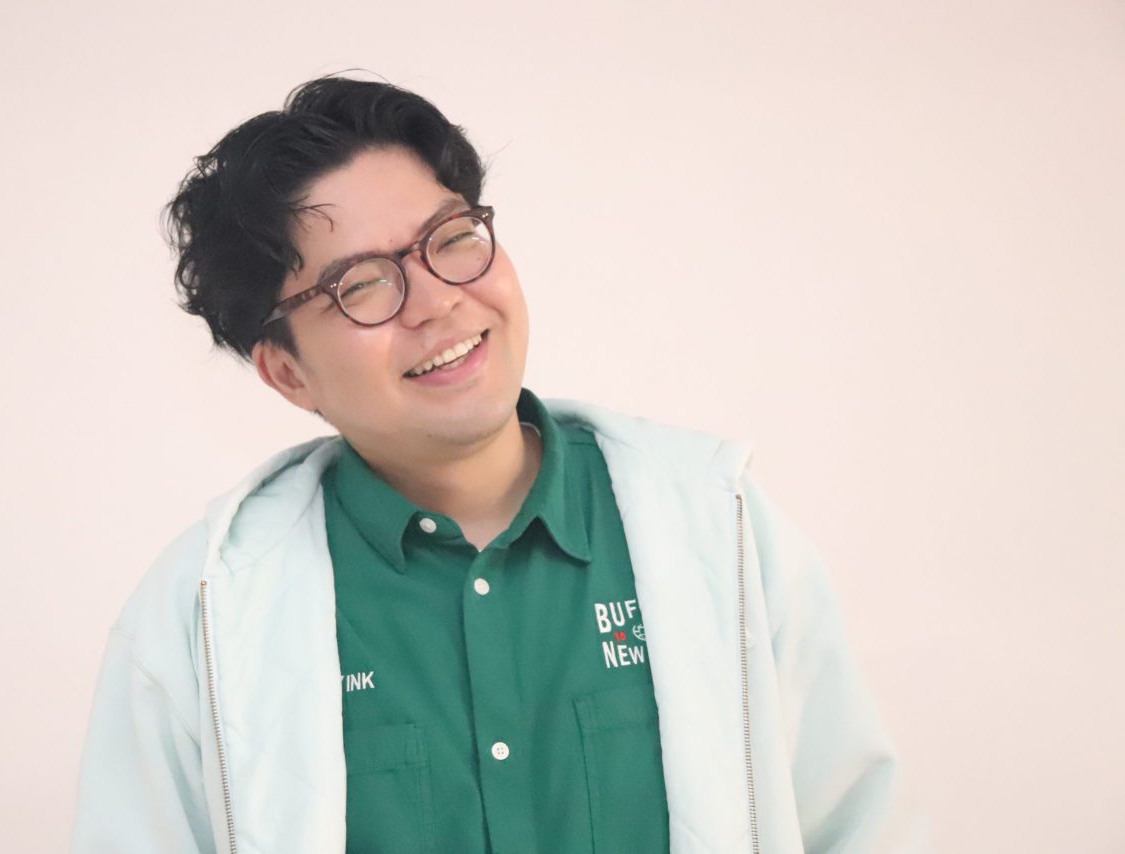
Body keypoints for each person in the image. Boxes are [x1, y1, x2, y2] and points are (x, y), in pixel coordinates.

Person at [73, 75, 910, 854]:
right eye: (361, 286)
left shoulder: (719, 527)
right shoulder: (202, 614)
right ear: (288, 372)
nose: (439, 300)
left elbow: (858, 827)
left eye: (451, 239)